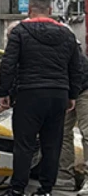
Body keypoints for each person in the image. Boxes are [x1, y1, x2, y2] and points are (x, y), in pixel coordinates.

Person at [0, 0, 82, 196]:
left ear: (29, 11)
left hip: (29, 93)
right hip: (58, 94)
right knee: (52, 144)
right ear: (50, 11)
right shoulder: (67, 34)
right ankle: (45, 190)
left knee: (24, 144)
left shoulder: (20, 32)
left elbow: (8, 64)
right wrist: (72, 95)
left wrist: (4, 92)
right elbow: (75, 68)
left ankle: (18, 189)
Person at [56, 51, 88, 194]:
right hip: (68, 90)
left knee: (87, 132)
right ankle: (64, 176)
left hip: (84, 88)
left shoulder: (63, 40)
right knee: (62, 132)